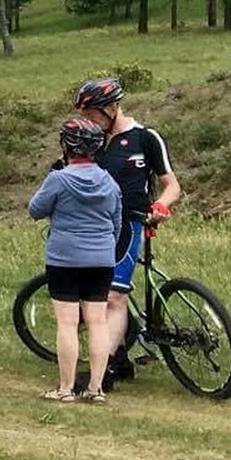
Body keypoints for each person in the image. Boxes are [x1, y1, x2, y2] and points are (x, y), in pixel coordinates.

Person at [75, 74, 182, 384]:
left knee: (113, 297)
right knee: (92, 293)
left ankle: (103, 368)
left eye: (91, 114)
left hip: (131, 222)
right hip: (95, 227)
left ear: (111, 108)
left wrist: (161, 205)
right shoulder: (90, 140)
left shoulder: (145, 138)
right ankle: (120, 359)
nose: (88, 121)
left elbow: (172, 185)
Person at [28, 116, 123, 403]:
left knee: (68, 323)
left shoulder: (58, 179)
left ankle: (66, 388)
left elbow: (35, 209)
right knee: (97, 322)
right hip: (102, 259)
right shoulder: (109, 181)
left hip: (64, 258)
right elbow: (116, 222)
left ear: (66, 146)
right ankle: (95, 389)